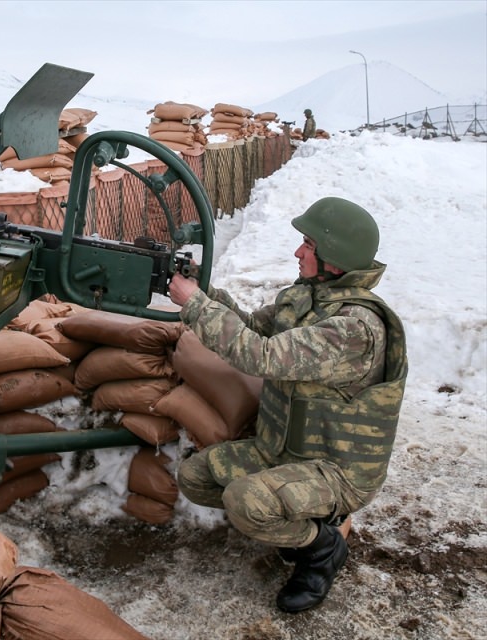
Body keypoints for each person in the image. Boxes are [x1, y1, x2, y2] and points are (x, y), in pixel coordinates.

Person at [167, 197, 407, 614]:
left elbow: (259, 356)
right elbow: (247, 327)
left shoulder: (355, 329)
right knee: (196, 477)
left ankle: (323, 548)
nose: (298, 252)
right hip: (283, 451)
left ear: (334, 257)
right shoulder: (304, 299)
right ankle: (306, 524)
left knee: (247, 501)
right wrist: (203, 290)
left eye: (309, 245)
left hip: (335, 472)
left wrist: (195, 305)